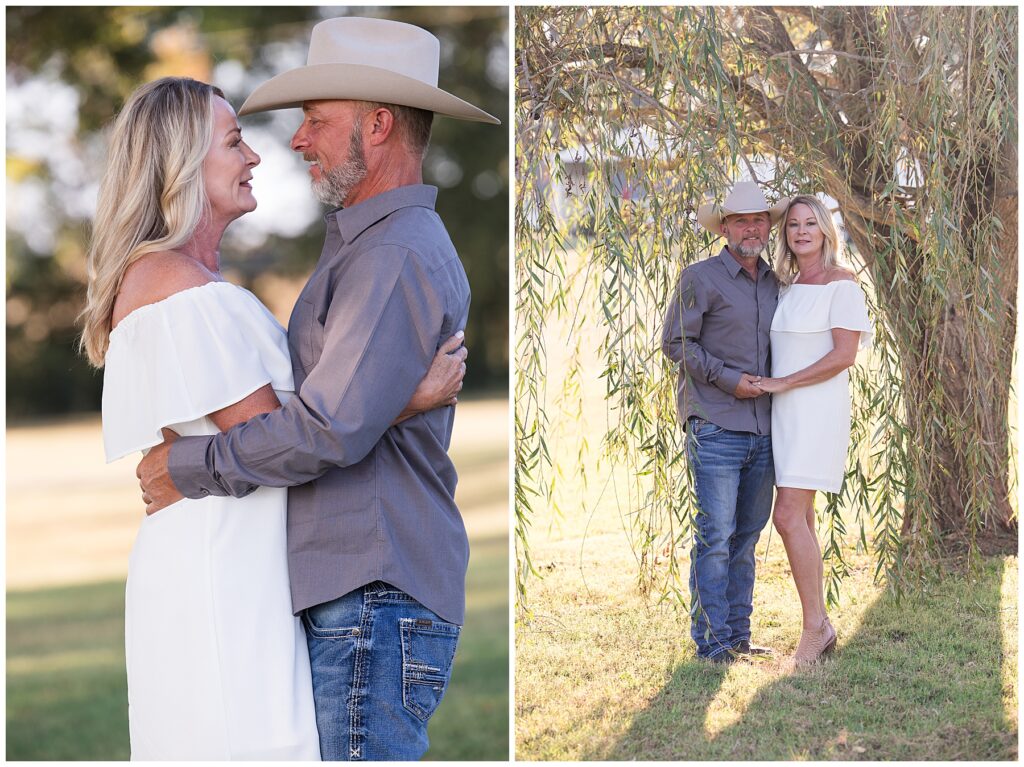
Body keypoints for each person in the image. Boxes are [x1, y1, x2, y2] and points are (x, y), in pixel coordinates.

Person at [136, 17, 500, 761]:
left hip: (374, 592)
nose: (297, 140)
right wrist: (394, 405)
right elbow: (341, 414)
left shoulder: (391, 256)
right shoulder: (366, 247)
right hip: (363, 590)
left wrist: (186, 467)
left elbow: (328, 428)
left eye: (315, 120)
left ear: (378, 123)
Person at [662, 181, 788, 664]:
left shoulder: (777, 285)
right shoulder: (700, 277)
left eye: (758, 219)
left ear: (766, 226)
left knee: (747, 536)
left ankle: (737, 635)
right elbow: (676, 343)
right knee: (715, 536)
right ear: (725, 228)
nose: (751, 228)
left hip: (765, 429)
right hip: (715, 423)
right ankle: (711, 642)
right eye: (741, 220)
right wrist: (730, 380)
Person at [752, 195, 871, 665]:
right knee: (801, 518)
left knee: (786, 517)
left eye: (810, 223)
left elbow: (843, 356)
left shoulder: (842, 285)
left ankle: (813, 628)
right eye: (794, 225)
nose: (801, 231)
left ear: (825, 230)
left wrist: (783, 383)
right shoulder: (787, 285)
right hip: (784, 415)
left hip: (816, 412)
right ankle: (820, 623)